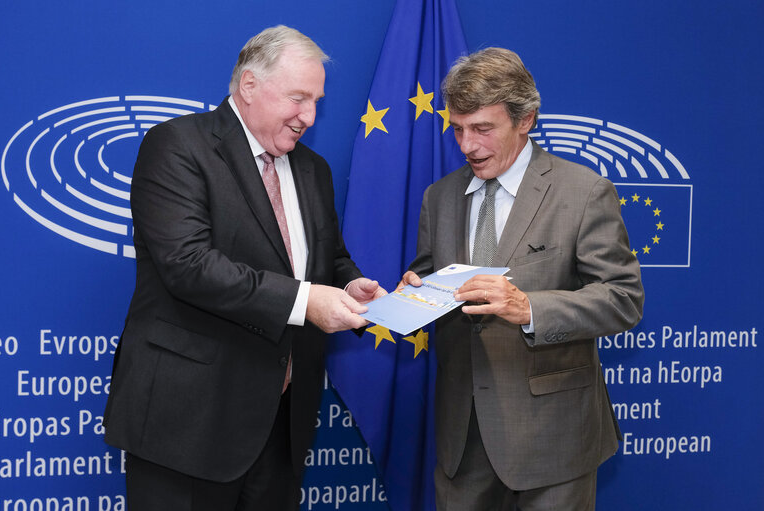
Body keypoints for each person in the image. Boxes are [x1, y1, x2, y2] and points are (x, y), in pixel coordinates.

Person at [103, 26, 385, 511]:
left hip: (282, 423)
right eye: (299, 98)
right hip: (188, 425)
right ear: (249, 86)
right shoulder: (176, 145)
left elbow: (326, 257)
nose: (310, 117)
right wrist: (306, 302)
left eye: (316, 101)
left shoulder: (312, 169)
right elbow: (188, 266)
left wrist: (350, 284)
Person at [399, 48, 644, 510]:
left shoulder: (583, 192)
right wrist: (417, 290)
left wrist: (529, 308)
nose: (468, 145)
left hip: (553, 438)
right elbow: (434, 273)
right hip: (462, 437)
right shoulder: (441, 197)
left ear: (526, 120)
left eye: (483, 129)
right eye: (457, 129)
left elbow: (623, 298)